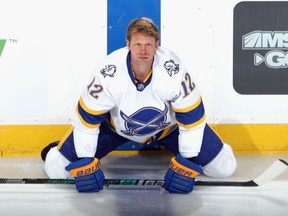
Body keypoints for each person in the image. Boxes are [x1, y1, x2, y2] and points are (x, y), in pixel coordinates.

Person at [41, 17, 237, 194]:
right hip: (113, 130)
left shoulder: (173, 70)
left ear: (156, 45)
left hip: (168, 130)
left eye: (148, 44)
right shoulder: (108, 73)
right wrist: (85, 161)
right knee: (56, 169)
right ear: (128, 44)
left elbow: (192, 118)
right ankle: (59, 148)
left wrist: (187, 161)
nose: (143, 50)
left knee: (224, 167)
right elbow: (88, 119)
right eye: (137, 44)